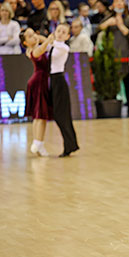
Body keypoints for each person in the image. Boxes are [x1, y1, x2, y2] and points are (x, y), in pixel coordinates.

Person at [97, 0, 129, 116]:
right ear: (112, 5)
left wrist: (121, 25)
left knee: (127, 84)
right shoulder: (108, 18)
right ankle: (112, 110)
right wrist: (107, 24)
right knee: (111, 83)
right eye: (116, 2)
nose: (119, 4)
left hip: (125, 56)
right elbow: (97, 31)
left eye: (121, 2)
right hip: (110, 57)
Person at [20, 28, 54, 156]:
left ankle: (39, 143)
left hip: (40, 81)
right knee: (39, 115)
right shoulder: (34, 50)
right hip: (39, 82)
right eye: (30, 36)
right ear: (25, 43)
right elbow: (46, 45)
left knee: (40, 115)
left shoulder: (33, 48)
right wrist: (48, 38)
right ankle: (37, 142)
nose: (34, 36)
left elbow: (47, 43)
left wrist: (41, 38)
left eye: (33, 33)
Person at [50, 23, 79, 157]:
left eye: (63, 32)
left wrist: (45, 39)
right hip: (53, 81)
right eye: (58, 30)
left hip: (59, 81)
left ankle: (70, 145)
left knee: (62, 115)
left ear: (67, 36)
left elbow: (54, 45)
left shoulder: (64, 48)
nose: (60, 33)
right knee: (58, 115)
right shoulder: (52, 45)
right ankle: (70, 144)